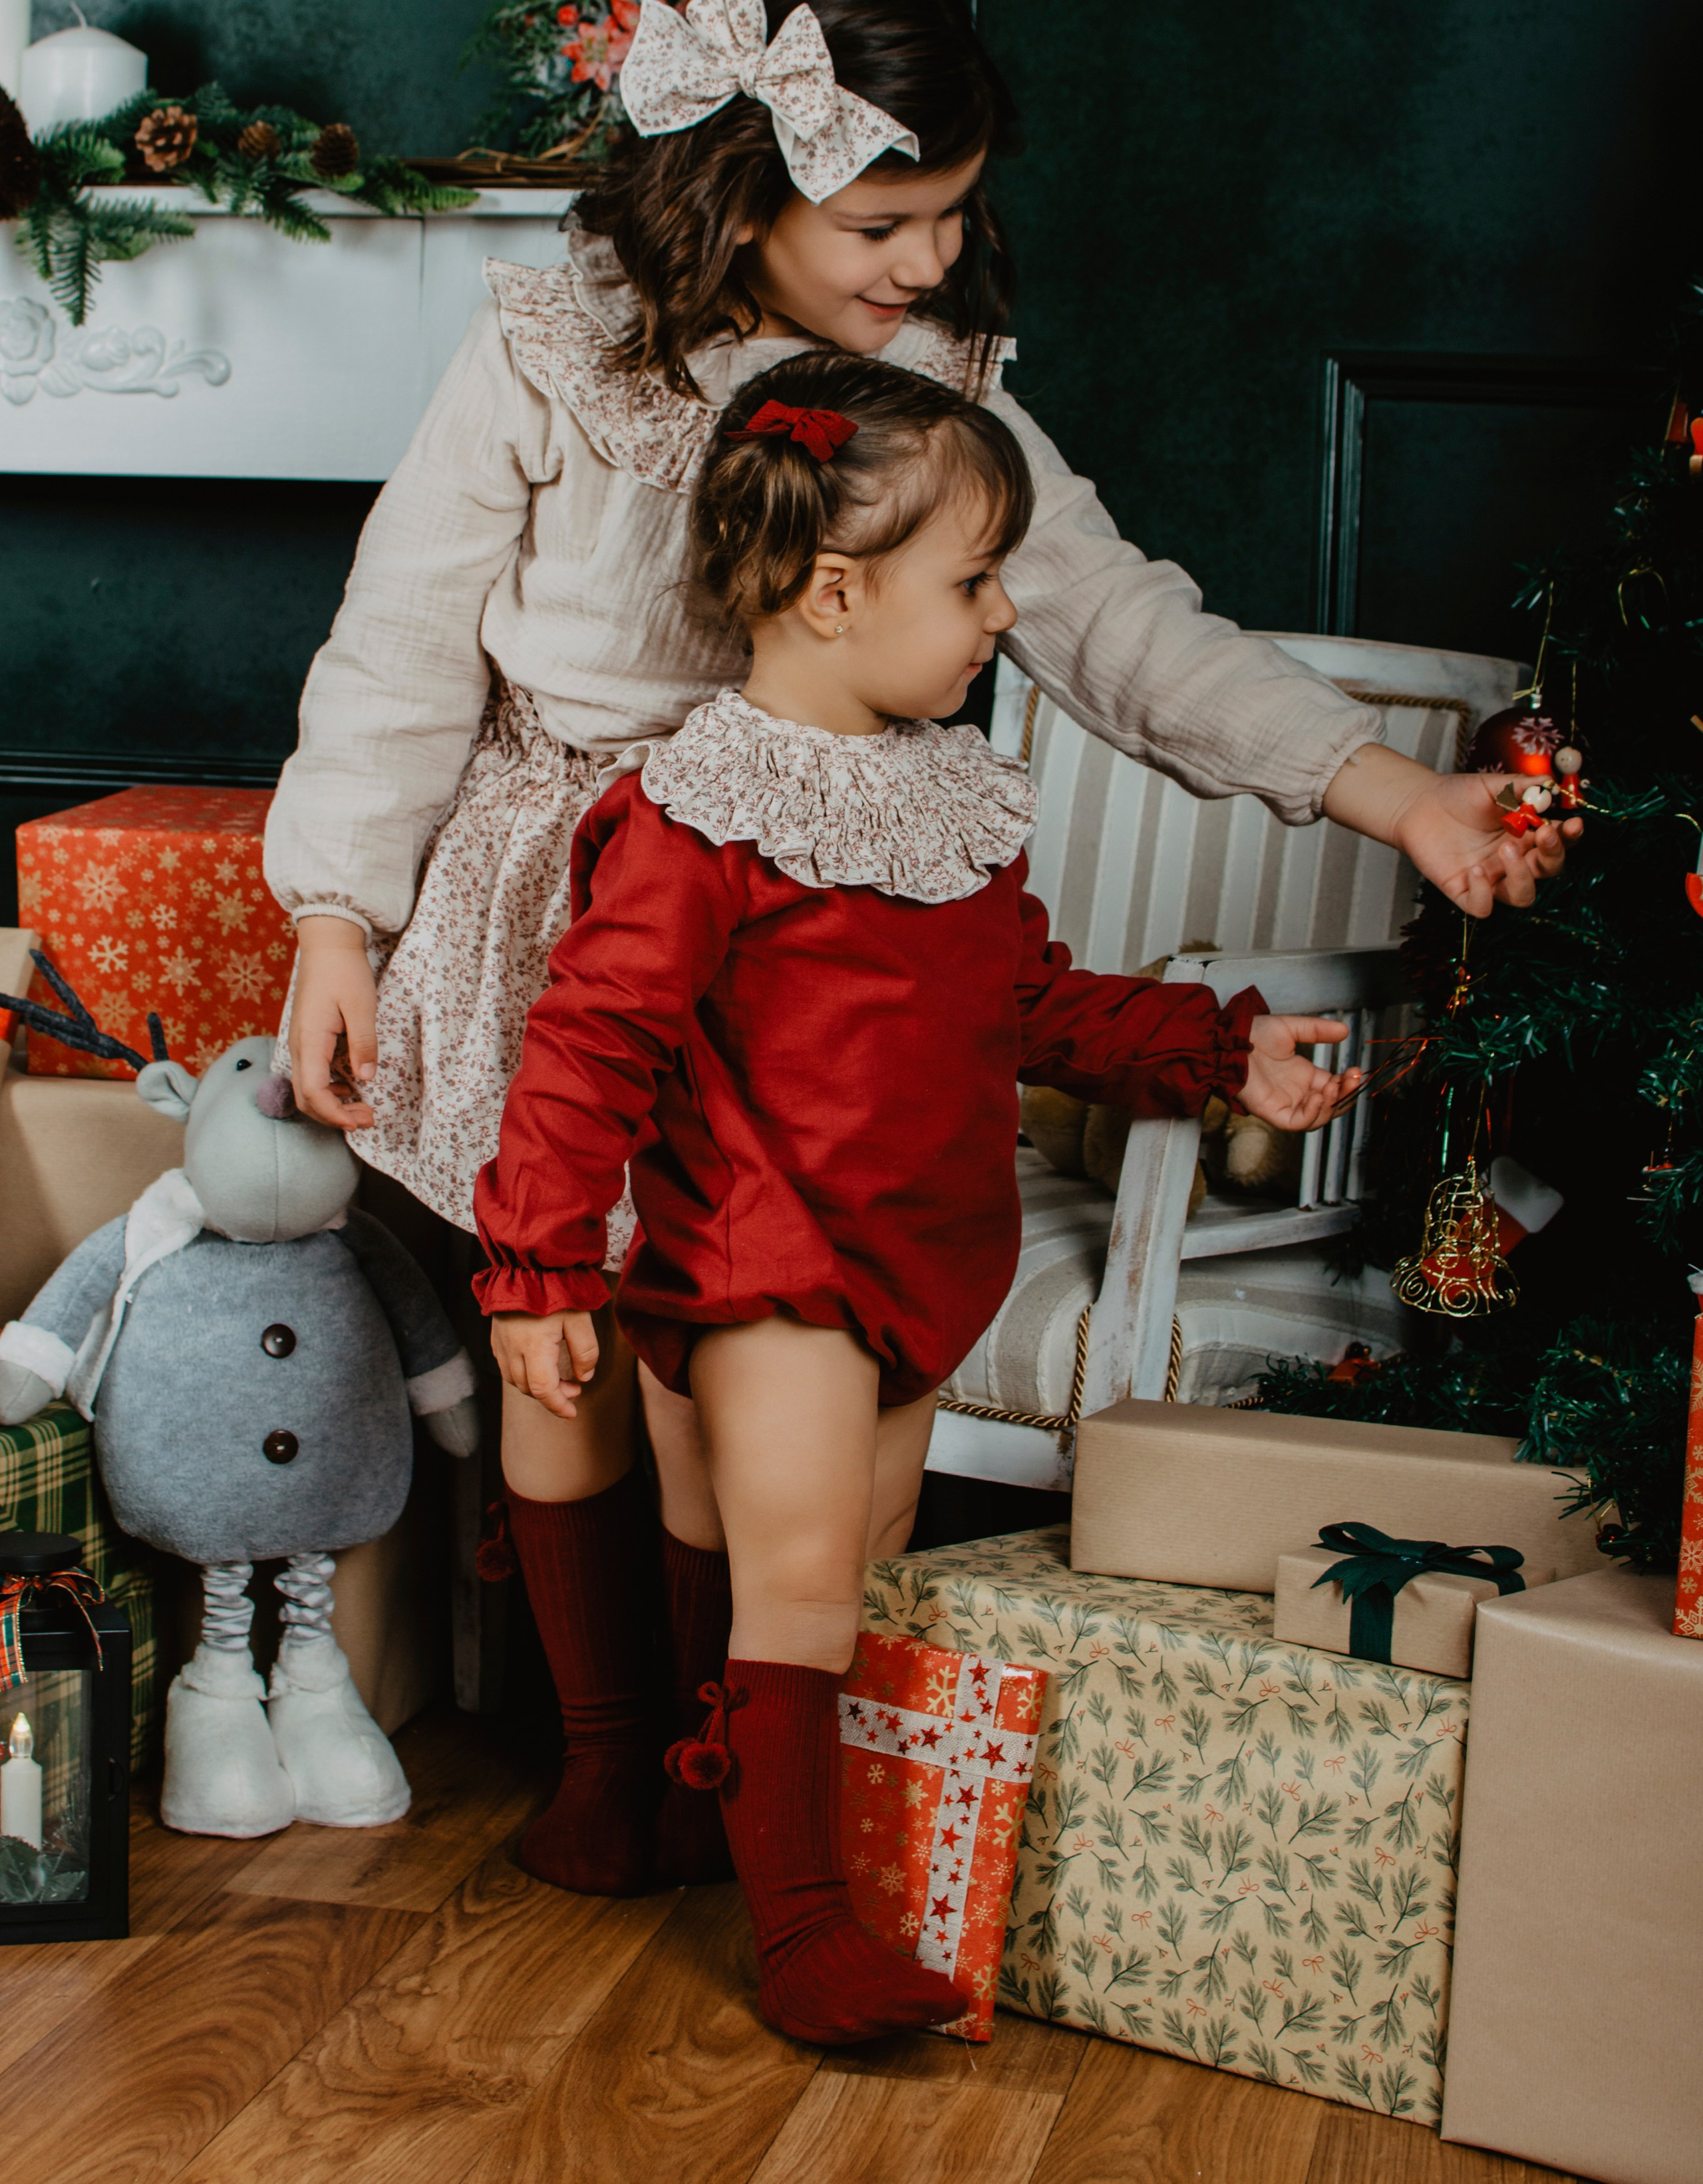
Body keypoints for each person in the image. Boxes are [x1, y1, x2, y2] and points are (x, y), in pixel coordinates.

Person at [263, 0, 1575, 1901]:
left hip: (810, 970)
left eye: (954, 218)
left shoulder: (928, 383)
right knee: (576, 1354)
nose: (929, 263)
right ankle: (610, 1755)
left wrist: (1390, 787)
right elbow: (402, 645)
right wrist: (340, 915)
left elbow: (1117, 620)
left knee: (730, 1388)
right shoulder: (552, 349)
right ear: (746, 176)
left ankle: (730, 1771)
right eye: (888, 219)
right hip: (577, 923)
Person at [471, 351, 1361, 2043]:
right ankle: (803, 1932)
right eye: (970, 580)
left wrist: (1213, 1050)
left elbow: (1024, 1001)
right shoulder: (698, 814)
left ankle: (680, 1808)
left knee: (826, 1573)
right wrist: (537, 1267)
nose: (1003, 612)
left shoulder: (947, 797)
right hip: (770, 1258)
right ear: (829, 592)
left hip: (920, 1257)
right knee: (798, 1583)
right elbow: (592, 1043)